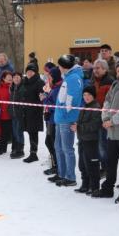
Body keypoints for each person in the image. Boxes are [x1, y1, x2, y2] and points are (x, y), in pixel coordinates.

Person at [92, 58, 119, 202]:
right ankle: (108, 188)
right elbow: (107, 102)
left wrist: (112, 121)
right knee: (110, 162)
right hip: (112, 132)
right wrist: (105, 118)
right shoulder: (115, 84)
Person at [48, 55, 82, 186]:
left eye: (60, 65)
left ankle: (70, 177)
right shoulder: (68, 77)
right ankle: (61, 173)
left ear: (65, 66)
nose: (59, 68)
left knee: (67, 149)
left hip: (67, 118)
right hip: (60, 118)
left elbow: (71, 99)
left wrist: (63, 111)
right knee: (58, 147)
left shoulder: (74, 78)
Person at [73, 85, 101, 194]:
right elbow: (81, 122)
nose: (86, 97)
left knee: (92, 164)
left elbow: (95, 125)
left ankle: (94, 186)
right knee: (82, 164)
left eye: (89, 95)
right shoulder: (84, 106)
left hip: (91, 140)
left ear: (93, 95)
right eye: (84, 95)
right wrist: (77, 125)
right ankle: (85, 184)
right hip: (82, 139)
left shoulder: (96, 107)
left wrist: (79, 127)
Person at [91, 59, 115, 177]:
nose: (95, 70)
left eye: (98, 68)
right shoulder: (92, 80)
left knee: (103, 145)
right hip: (93, 117)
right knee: (96, 144)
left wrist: (106, 117)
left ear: (105, 69)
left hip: (104, 118)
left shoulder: (109, 82)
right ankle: (100, 165)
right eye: (94, 68)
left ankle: (106, 168)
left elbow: (109, 101)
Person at [40, 67, 63, 175]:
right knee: (49, 142)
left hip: (55, 120)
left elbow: (56, 105)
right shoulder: (54, 87)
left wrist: (44, 99)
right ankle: (55, 165)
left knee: (52, 143)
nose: (48, 78)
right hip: (50, 119)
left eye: (50, 76)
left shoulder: (59, 88)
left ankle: (59, 166)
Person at [22, 63, 45, 163]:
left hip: (35, 112)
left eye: (31, 72)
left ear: (35, 72)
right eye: (27, 72)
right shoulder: (25, 82)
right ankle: (32, 152)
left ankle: (33, 153)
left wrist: (35, 107)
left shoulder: (39, 82)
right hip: (26, 111)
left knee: (33, 132)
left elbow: (42, 98)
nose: (29, 73)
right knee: (30, 132)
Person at [0, 71, 13, 155]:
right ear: (3, 79)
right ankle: (2, 148)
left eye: (11, 77)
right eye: (8, 77)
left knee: (13, 133)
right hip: (3, 115)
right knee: (3, 133)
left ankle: (15, 149)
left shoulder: (13, 87)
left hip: (13, 114)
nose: (10, 79)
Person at [9, 72, 26, 159]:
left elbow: (24, 101)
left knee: (19, 132)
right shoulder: (13, 87)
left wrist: (21, 111)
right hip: (13, 114)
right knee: (15, 132)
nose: (16, 79)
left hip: (20, 114)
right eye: (14, 77)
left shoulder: (22, 87)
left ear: (21, 78)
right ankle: (16, 148)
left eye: (18, 77)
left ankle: (20, 150)